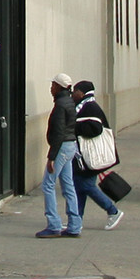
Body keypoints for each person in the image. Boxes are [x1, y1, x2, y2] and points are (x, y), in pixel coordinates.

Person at [71, 77, 125, 230]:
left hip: (90, 156)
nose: (73, 94)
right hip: (82, 157)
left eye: (76, 91)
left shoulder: (90, 108)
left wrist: (74, 128)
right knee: (79, 187)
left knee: (86, 186)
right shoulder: (82, 107)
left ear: (83, 93)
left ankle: (112, 210)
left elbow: (95, 129)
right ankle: (77, 220)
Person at [37, 72, 82, 237]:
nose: (51, 88)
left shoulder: (60, 106)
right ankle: (74, 225)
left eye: (53, 85)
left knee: (48, 185)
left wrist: (51, 157)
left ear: (58, 87)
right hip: (70, 145)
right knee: (68, 186)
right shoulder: (69, 102)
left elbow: (58, 133)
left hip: (62, 147)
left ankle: (54, 224)